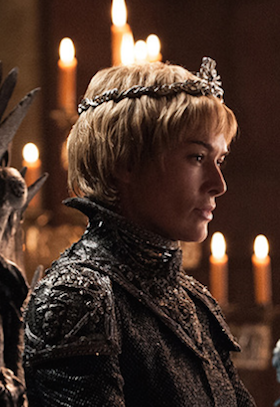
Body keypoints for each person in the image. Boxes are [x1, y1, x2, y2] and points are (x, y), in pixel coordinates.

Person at [23, 58, 256, 406]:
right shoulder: (79, 299)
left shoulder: (195, 302)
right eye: (197, 157)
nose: (218, 184)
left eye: (219, 160)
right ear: (125, 161)